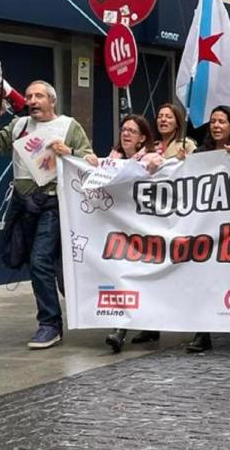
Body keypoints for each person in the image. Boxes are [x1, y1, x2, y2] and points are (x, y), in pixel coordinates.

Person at [0, 80, 93, 349]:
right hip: (22, 205)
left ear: (51, 101)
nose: (32, 100)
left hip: (52, 204)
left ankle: (49, 324)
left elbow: (90, 160)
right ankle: (56, 315)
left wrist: (70, 152)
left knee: (40, 258)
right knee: (29, 260)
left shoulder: (68, 126)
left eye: (39, 96)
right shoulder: (19, 126)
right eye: (29, 95)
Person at [86, 115, 162, 353]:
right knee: (122, 276)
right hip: (119, 232)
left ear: (142, 138)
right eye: (123, 130)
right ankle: (120, 329)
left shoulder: (150, 158)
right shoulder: (111, 160)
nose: (126, 134)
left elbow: (163, 168)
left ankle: (144, 325)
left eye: (132, 131)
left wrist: (158, 164)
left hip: (145, 231)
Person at [185, 105, 230, 354]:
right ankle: (203, 332)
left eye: (221, 121)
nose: (216, 126)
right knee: (205, 277)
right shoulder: (201, 153)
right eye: (212, 121)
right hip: (206, 227)